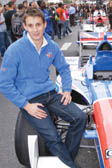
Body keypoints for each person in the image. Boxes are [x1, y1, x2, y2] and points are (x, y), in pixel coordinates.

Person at [0, 8, 86, 168]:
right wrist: (26, 106)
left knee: (80, 118)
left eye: (38, 24)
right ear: (25, 26)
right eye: (31, 25)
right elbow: (4, 84)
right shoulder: (14, 50)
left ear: (44, 24)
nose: (35, 29)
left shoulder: (51, 46)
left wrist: (67, 89)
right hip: (30, 100)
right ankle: (70, 165)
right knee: (53, 137)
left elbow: (65, 68)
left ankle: (65, 161)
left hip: (51, 94)